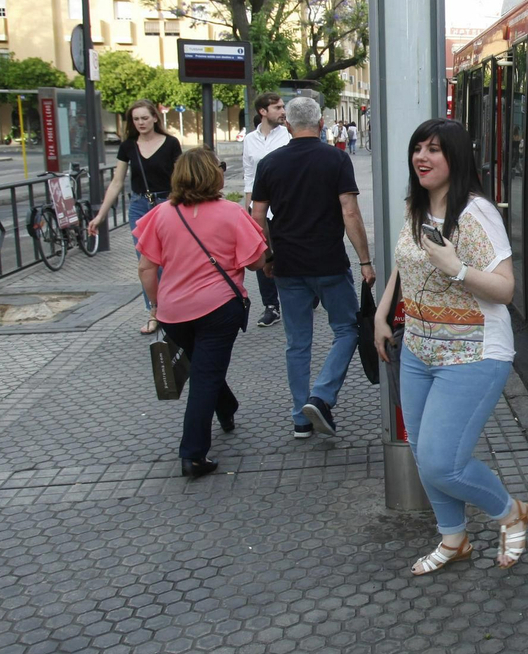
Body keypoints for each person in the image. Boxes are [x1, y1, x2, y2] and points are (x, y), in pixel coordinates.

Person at [373, 119, 528, 575]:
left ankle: (510, 512)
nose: (421, 157)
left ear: (456, 158)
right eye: (417, 148)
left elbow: (505, 290)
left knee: (445, 463)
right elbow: (403, 265)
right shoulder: (416, 205)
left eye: (434, 150)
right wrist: (382, 313)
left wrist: (456, 267)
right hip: (420, 349)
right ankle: (454, 538)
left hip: (474, 352)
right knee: (423, 451)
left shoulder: (476, 213)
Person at [134, 148, 269, 478]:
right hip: (219, 308)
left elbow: (146, 269)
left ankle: (227, 407)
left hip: (172, 314)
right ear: (215, 175)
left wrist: (155, 306)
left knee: (204, 367)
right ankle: (193, 455)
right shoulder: (232, 213)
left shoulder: (161, 214)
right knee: (206, 375)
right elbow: (255, 262)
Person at [251, 95, 376, 439]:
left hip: (288, 266)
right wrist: (365, 260)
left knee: (297, 342)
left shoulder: (270, 163)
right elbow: (349, 212)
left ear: (288, 125)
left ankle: (299, 419)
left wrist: (267, 256)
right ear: (321, 124)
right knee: (348, 329)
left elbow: (258, 215)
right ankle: (321, 396)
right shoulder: (335, 159)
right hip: (329, 262)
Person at [87, 99, 182, 334]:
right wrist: (100, 216)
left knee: (171, 259)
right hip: (140, 206)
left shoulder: (171, 143)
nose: (140, 122)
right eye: (136, 119)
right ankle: (154, 311)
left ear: (155, 118)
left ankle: (175, 309)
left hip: (167, 204)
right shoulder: (128, 146)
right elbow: (117, 182)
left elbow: (182, 177)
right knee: (146, 263)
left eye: (144, 118)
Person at [241, 92, 290, 328]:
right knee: (261, 251)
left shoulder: (288, 134)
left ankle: (305, 291)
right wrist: (248, 207)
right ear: (263, 111)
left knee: (288, 250)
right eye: (278, 107)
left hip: (285, 204)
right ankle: (271, 306)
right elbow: (249, 175)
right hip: (260, 205)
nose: (283, 111)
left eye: (283, 107)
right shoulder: (250, 139)